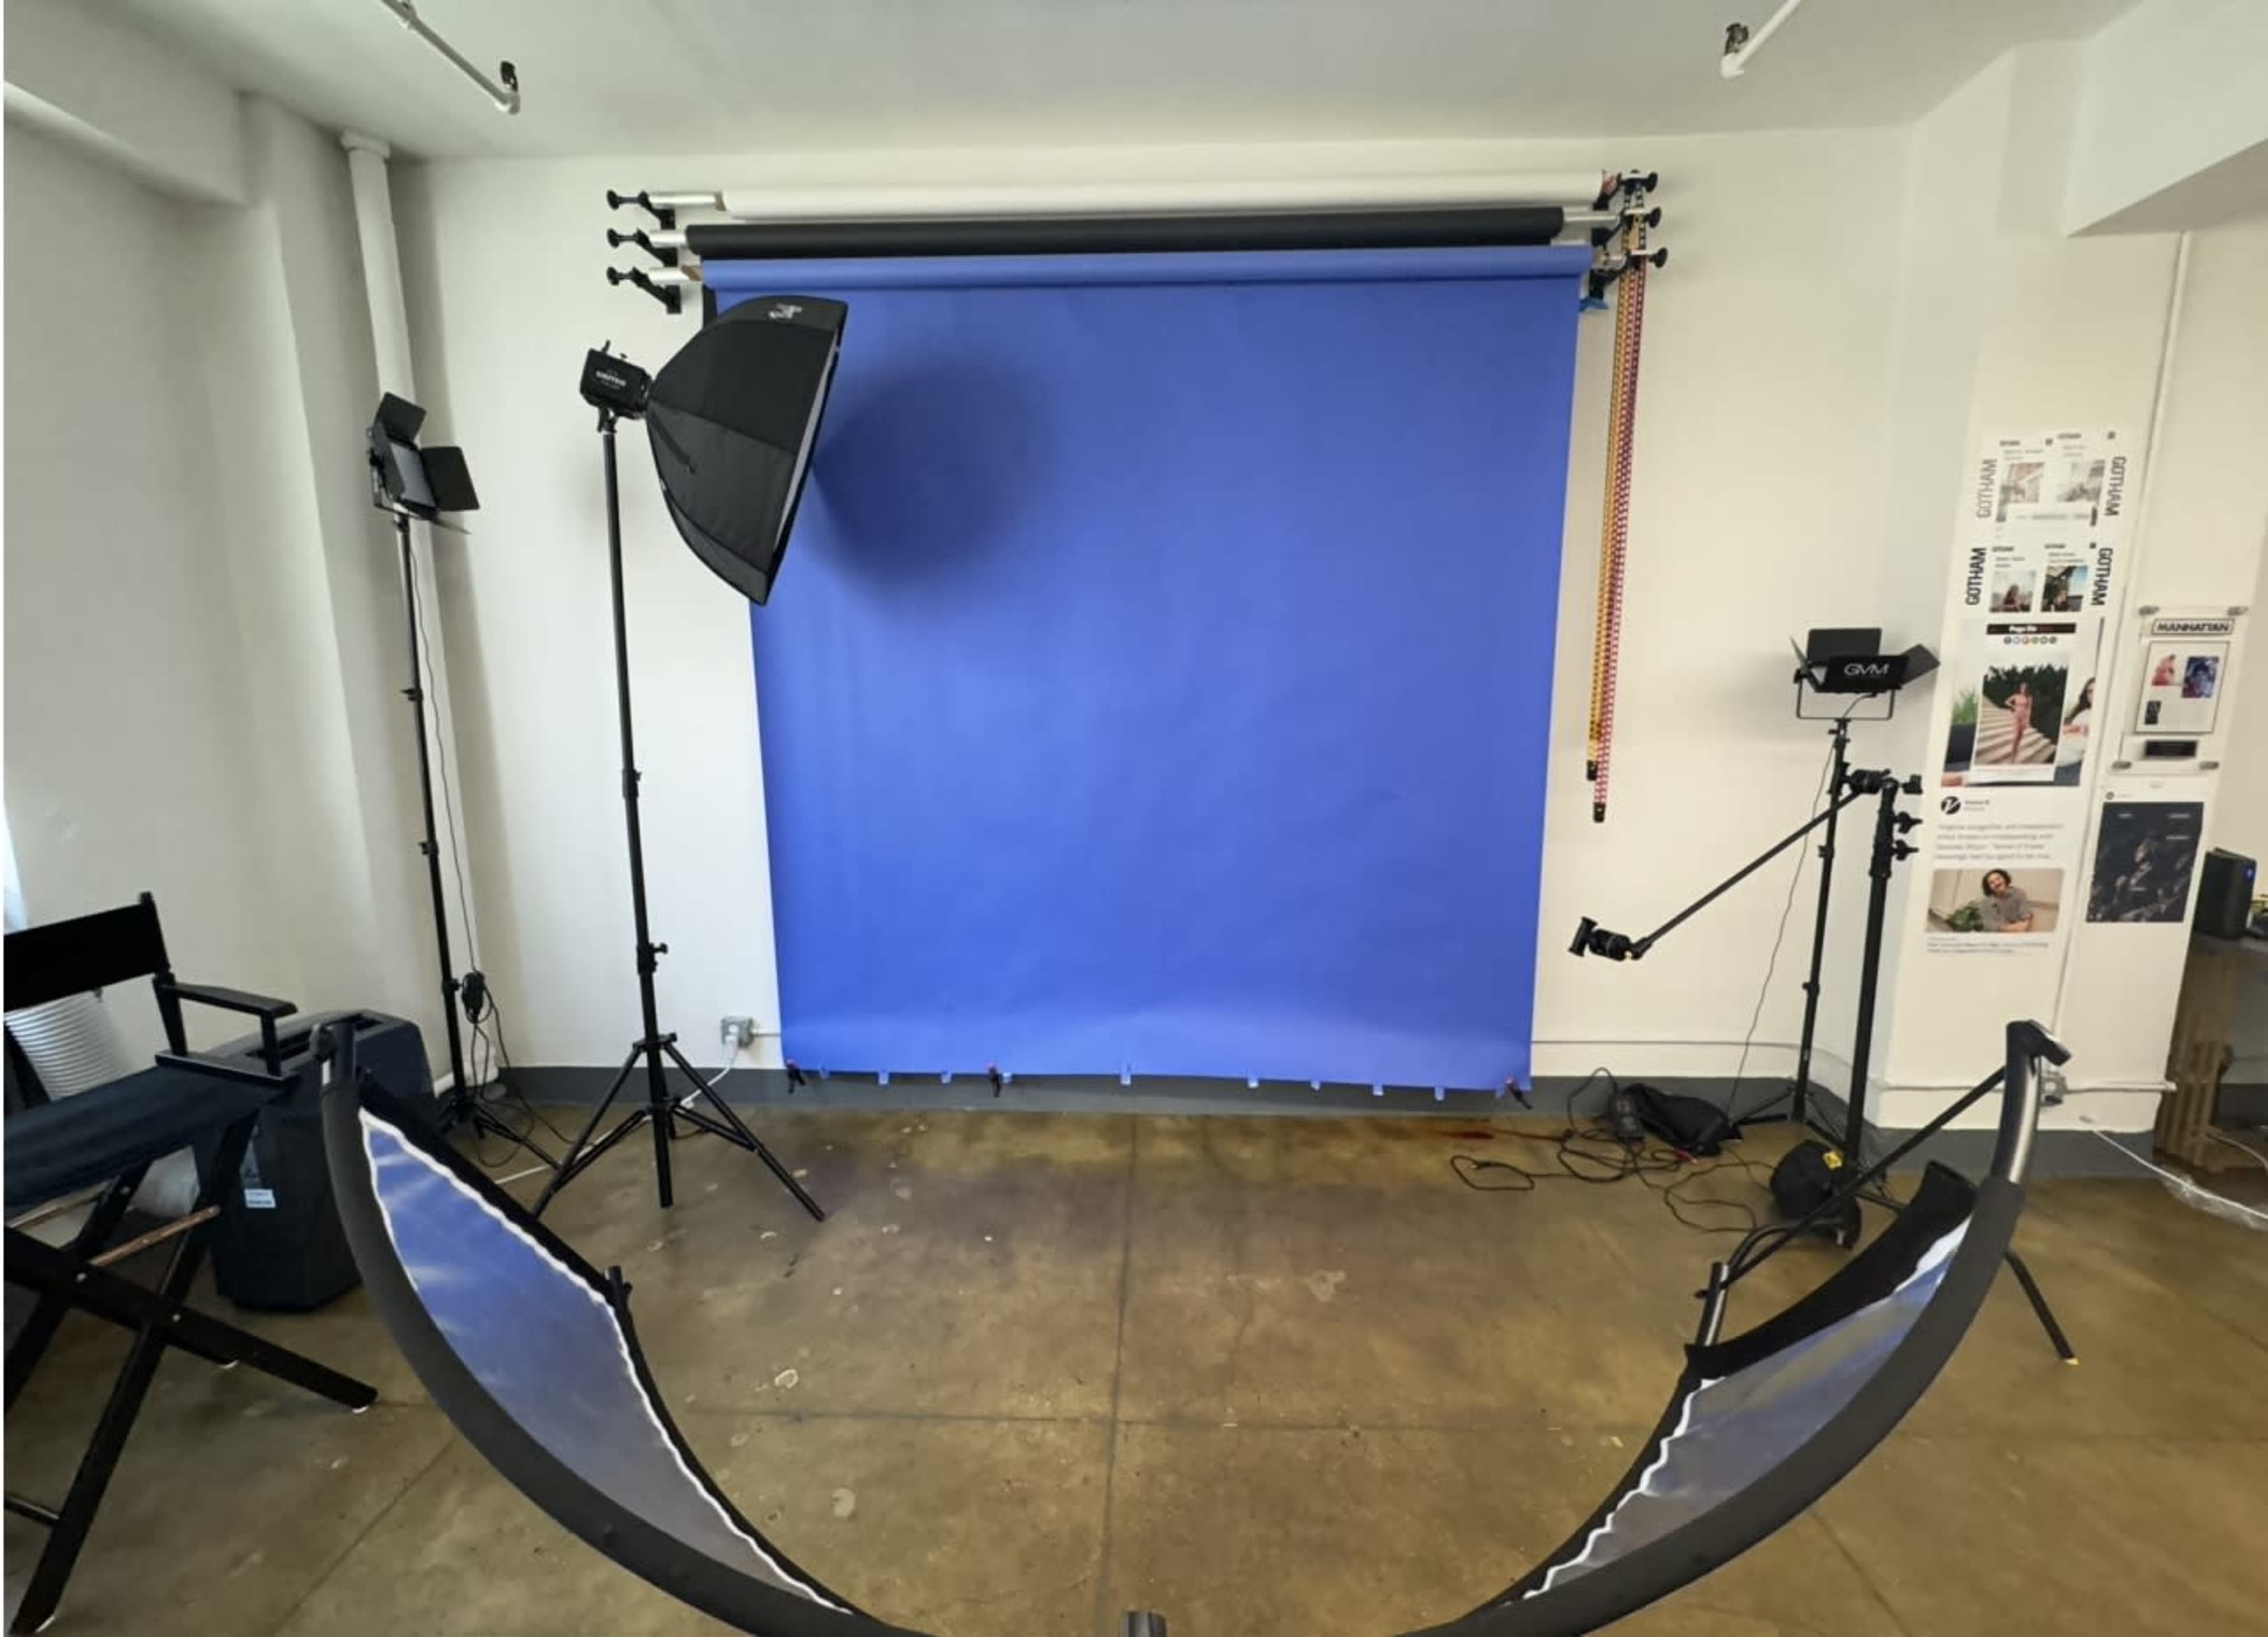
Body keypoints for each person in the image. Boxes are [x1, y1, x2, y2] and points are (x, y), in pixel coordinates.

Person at [1980, 868, 2035, 933]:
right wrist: (2012, 928)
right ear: (1989, 888)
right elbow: (1990, 925)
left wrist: (2023, 926)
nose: (1997, 883)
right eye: (1992, 883)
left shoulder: (2019, 893)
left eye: (1998, 879)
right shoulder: (1986, 902)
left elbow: (2025, 915)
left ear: (2005, 878)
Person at [2006, 680, 2035, 755]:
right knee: (2015, 737)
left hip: (2024, 718)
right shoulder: (2016, 696)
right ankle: (2013, 754)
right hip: (2016, 717)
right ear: (2020, 689)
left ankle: (2016, 752)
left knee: (2019, 737)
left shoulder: (2029, 698)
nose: (2024, 690)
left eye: (2025, 689)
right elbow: (2006, 702)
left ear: (2027, 689)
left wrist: (2028, 720)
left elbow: (2029, 709)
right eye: (2022, 688)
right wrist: (2013, 706)